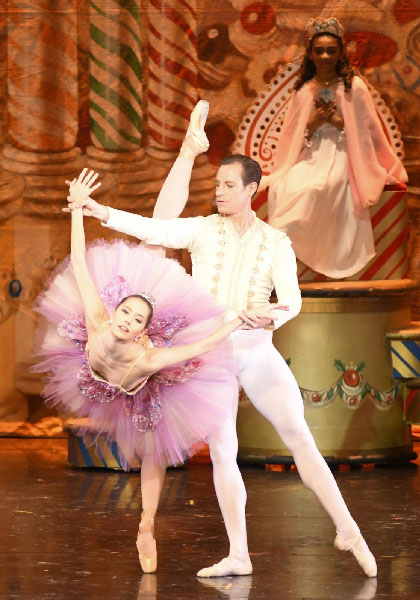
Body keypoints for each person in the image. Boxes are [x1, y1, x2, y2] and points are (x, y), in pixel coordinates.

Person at [66, 119, 377, 579]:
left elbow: (292, 301)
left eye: (229, 185)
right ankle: (238, 553)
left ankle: (348, 528)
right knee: (222, 451)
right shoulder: (201, 230)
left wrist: (271, 313)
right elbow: (152, 227)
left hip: (256, 350)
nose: (220, 192)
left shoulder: (276, 243)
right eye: (217, 184)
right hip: (209, 359)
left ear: (251, 189)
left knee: (300, 438)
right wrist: (98, 211)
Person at [33, 108, 283, 574]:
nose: (125, 320)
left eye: (133, 317)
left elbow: (195, 349)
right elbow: (79, 262)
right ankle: (188, 152)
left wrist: (237, 320)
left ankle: (146, 525)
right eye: (125, 313)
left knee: (153, 455)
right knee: (151, 242)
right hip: (100, 370)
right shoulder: (99, 318)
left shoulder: (149, 356)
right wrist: (76, 211)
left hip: (139, 378)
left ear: (145, 329)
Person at [262, 17, 408, 279]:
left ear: (341, 52)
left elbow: (368, 134)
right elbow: (292, 136)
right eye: (319, 51)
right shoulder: (305, 90)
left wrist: (341, 124)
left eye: (331, 50)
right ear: (310, 54)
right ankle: (280, 259)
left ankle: (314, 255)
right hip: (312, 155)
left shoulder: (355, 87)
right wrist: (315, 122)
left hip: (346, 156)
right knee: (288, 186)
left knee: (320, 187)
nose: (326, 56)